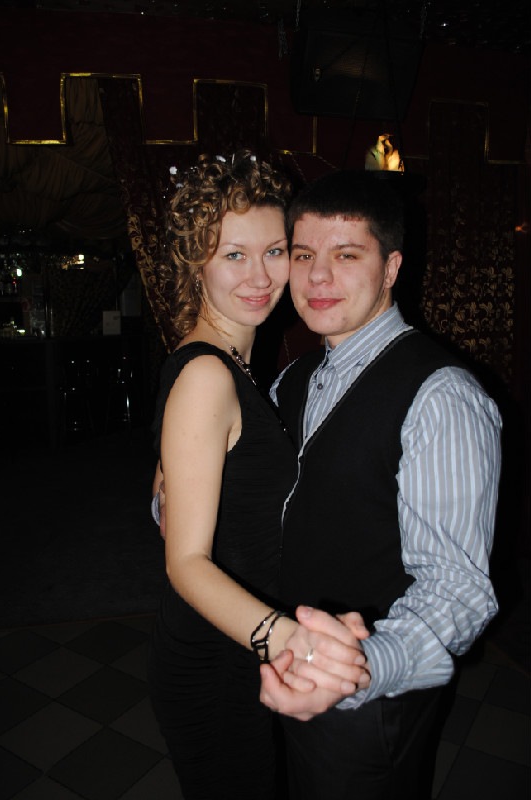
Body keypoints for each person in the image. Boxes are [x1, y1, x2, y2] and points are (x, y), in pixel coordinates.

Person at [259, 169, 502, 800]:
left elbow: (458, 589)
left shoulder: (441, 396)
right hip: (284, 660)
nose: (317, 277)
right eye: (303, 255)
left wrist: (359, 667)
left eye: (346, 255)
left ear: (390, 268)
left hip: (370, 701)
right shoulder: (294, 377)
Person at [147, 151, 370, 800]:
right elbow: (185, 562)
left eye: (274, 252)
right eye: (233, 255)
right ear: (195, 261)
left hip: (234, 642)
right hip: (216, 659)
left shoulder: (225, 364)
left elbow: (171, 499)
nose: (260, 276)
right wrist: (288, 639)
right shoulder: (206, 374)